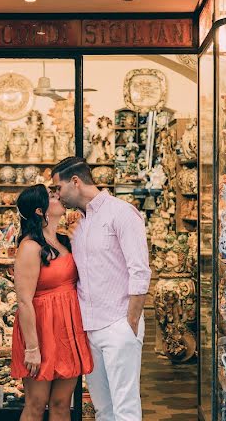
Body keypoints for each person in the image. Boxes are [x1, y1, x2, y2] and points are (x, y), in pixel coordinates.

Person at [50, 156, 152, 421]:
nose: (57, 195)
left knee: (125, 407)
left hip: (119, 322)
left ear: (75, 182)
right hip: (89, 327)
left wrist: (131, 321)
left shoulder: (121, 212)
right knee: (102, 409)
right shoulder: (79, 223)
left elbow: (139, 269)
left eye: (58, 188)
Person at [10, 184, 93, 421]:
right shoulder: (30, 247)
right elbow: (24, 301)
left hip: (67, 328)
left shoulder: (64, 241)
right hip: (40, 329)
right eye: (52, 196)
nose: (59, 197)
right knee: (36, 404)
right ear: (40, 211)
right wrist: (32, 349)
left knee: (62, 404)